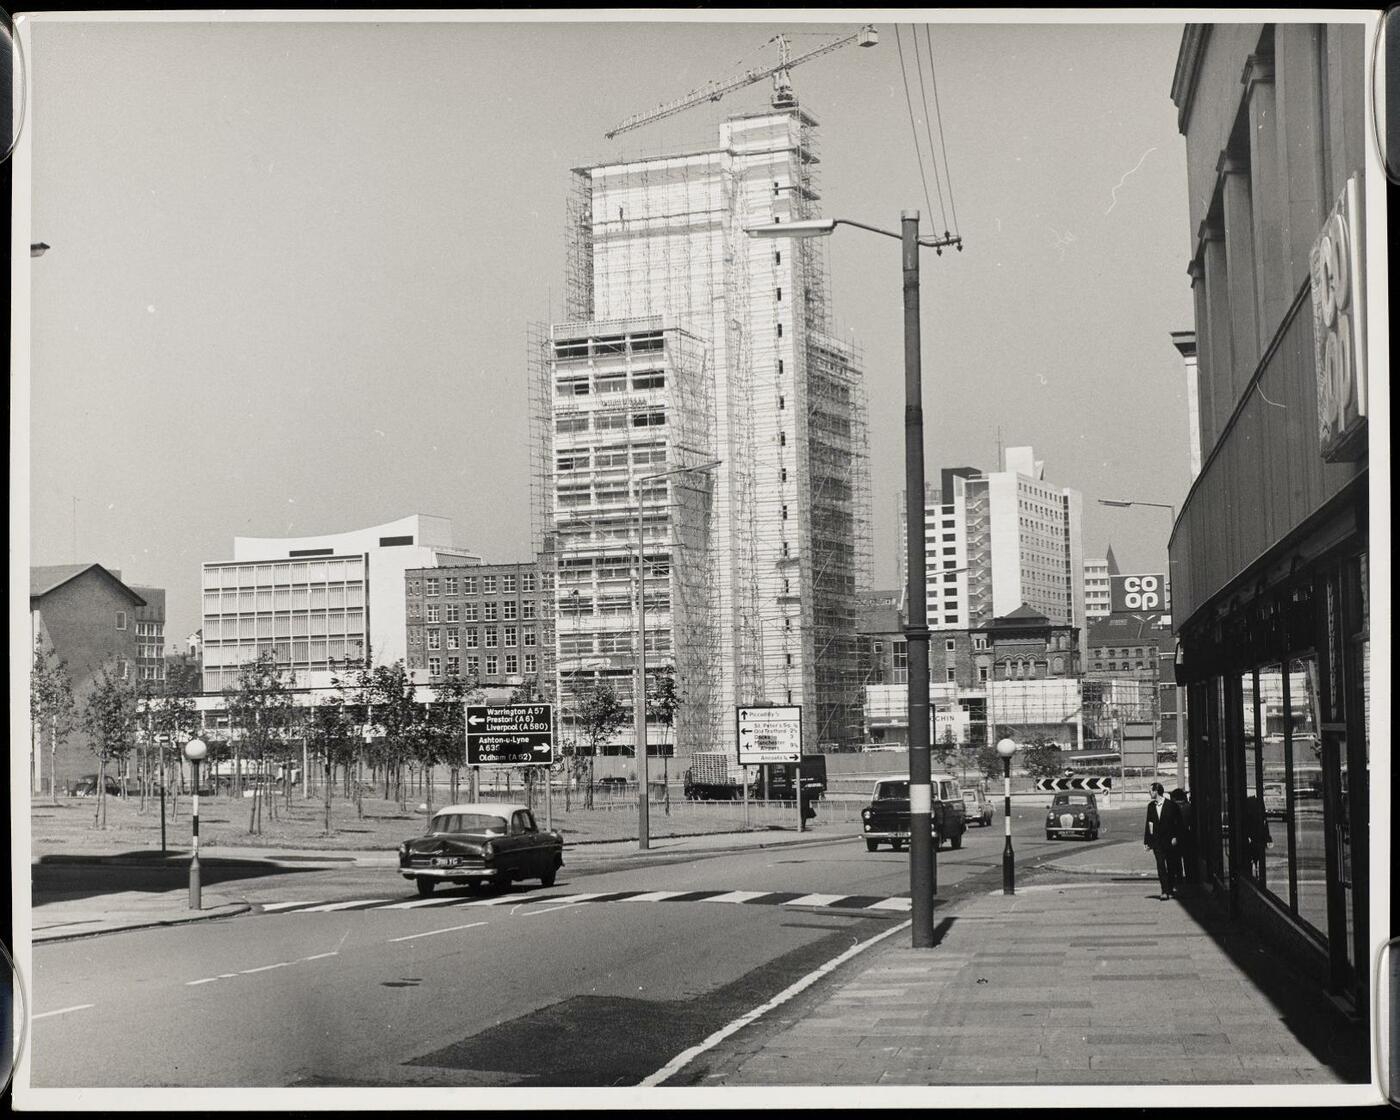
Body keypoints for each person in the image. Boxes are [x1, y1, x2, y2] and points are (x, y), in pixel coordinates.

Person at [1143, 782, 1184, 899]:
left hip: (1170, 841)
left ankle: (1170, 889)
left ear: (1156, 791)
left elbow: (1179, 824)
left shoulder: (1171, 805)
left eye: (1150, 790)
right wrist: (1147, 842)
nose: (1149, 793)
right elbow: (1148, 824)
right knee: (1160, 866)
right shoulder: (1150, 806)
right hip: (1157, 842)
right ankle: (1164, 891)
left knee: (1171, 866)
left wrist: (1176, 837)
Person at [1169, 787, 1196, 886]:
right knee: (1188, 859)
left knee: (1176, 860)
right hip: (1187, 836)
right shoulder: (1189, 807)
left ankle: (1179, 879)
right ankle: (1190, 878)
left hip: (1175, 836)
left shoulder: (1171, 808)